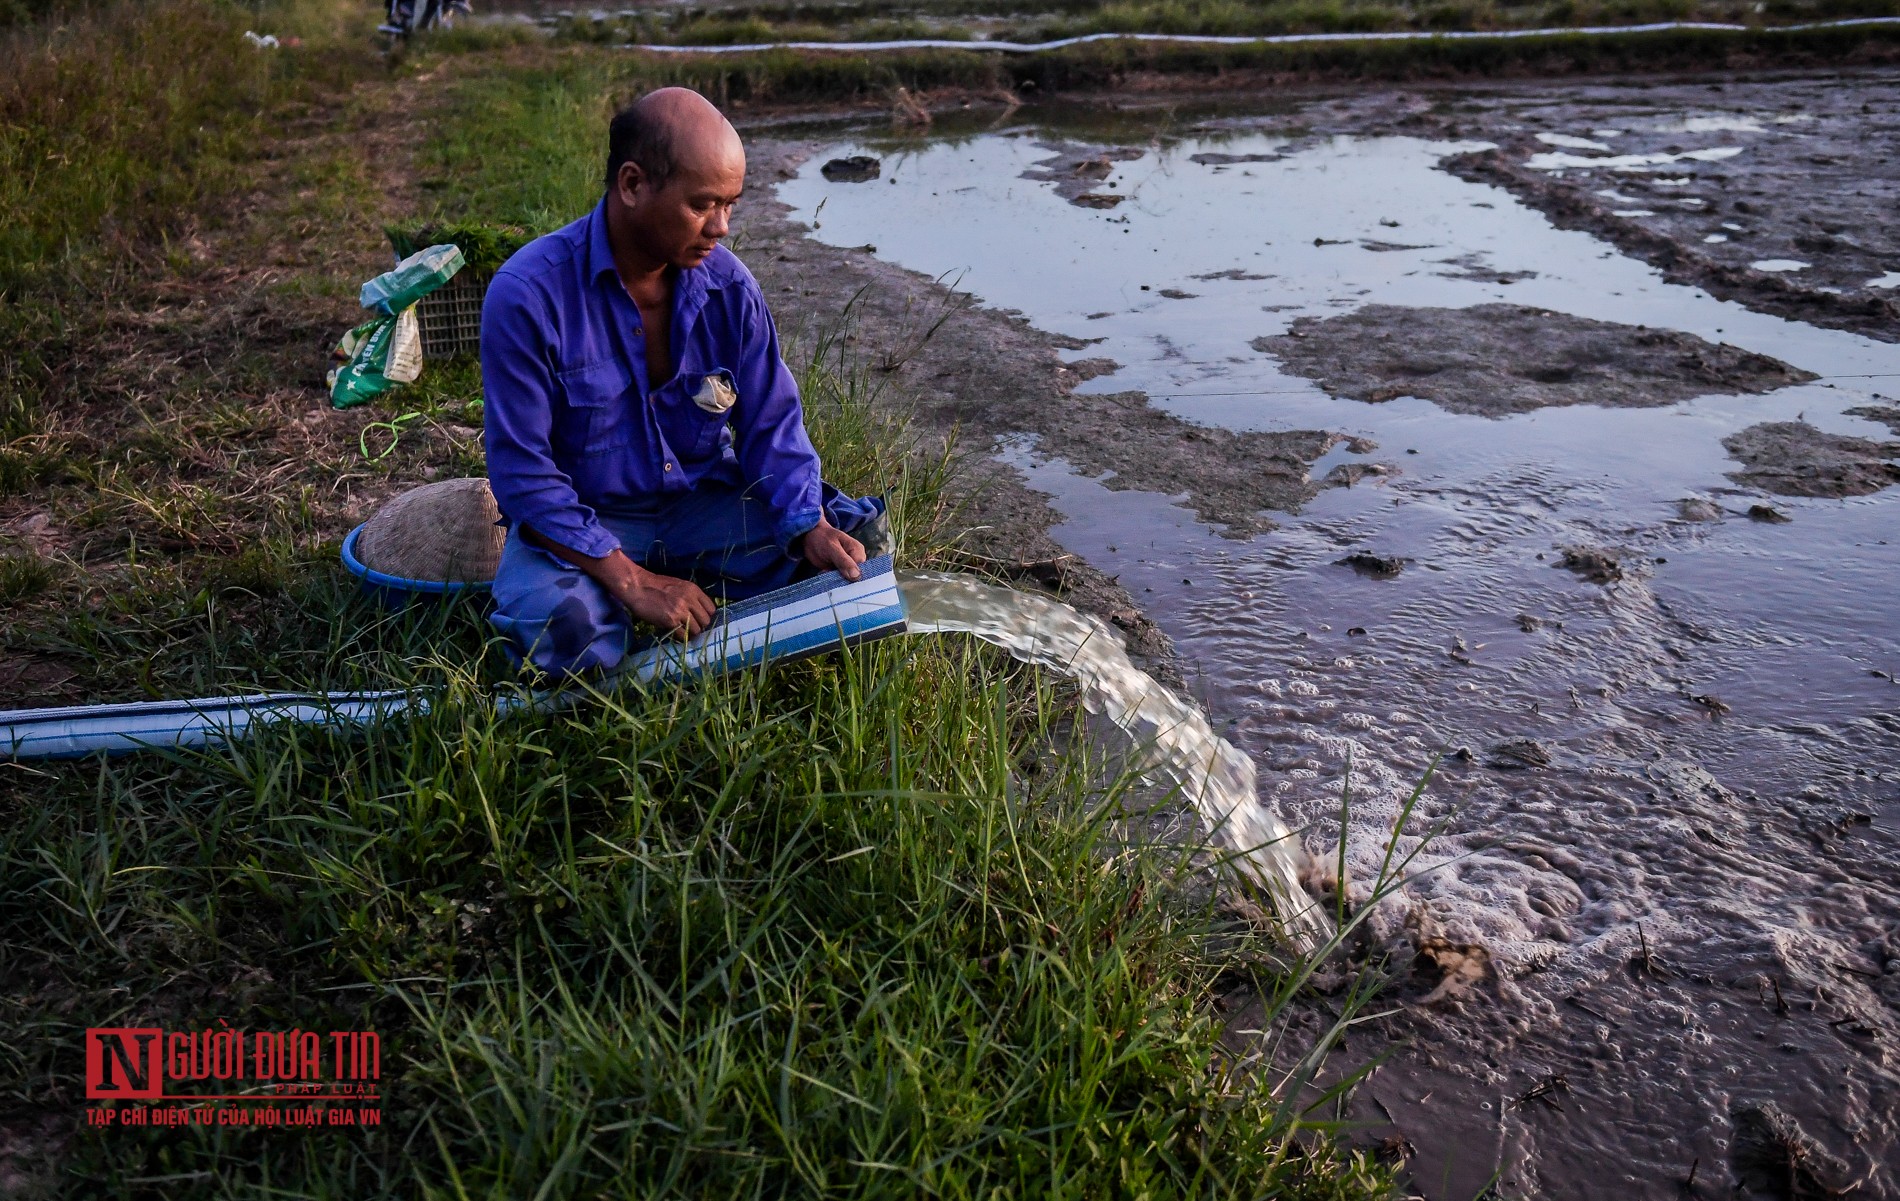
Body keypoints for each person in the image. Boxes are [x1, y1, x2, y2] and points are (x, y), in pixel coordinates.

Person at [480, 87, 885, 677]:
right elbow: (523, 473)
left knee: (856, 548)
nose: (720, 227)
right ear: (633, 185)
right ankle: (621, 611)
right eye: (701, 205)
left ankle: (693, 598)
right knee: (564, 628)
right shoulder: (528, 295)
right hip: (591, 521)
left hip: (700, 504)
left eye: (730, 206)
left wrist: (809, 525)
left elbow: (771, 424)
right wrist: (634, 582)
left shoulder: (730, 289)